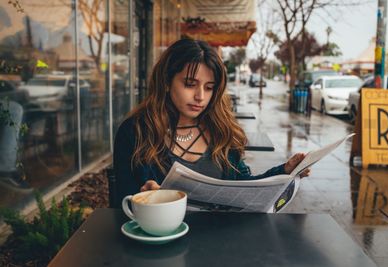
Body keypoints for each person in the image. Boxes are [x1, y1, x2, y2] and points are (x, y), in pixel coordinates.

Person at [113, 38, 310, 204]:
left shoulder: (221, 130)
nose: (200, 96)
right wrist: (144, 198)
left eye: (209, 87)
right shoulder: (136, 132)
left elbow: (243, 185)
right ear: (166, 81)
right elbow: (121, 202)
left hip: (220, 243)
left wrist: (283, 171)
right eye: (190, 84)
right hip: (161, 244)